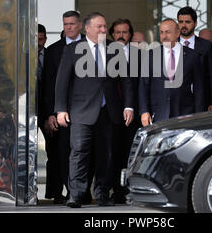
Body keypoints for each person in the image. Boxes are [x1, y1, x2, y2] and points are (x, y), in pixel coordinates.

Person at [54, 12, 134, 208]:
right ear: (87, 28)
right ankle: (76, 194)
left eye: (105, 27)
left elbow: (126, 81)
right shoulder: (73, 50)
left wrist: (129, 106)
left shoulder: (114, 49)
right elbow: (62, 81)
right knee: (79, 153)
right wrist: (61, 109)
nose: (104, 30)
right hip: (81, 111)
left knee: (106, 155)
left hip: (109, 111)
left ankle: (103, 194)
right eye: (99, 27)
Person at [41, 11, 83, 204]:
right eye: (65, 24)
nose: (68, 27)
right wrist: (51, 113)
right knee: (63, 152)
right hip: (62, 113)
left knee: (85, 151)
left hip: (86, 110)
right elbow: (49, 86)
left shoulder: (91, 47)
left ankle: (83, 191)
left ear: (80, 25)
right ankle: (70, 191)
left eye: (72, 24)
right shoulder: (53, 51)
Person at [139, 19, 205, 126]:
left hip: (184, 114)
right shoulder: (150, 56)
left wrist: (198, 115)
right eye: (161, 32)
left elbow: (199, 89)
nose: (164, 36)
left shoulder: (192, 56)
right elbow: (143, 86)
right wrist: (144, 111)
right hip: (157, 113)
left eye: (168, 32)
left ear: (177, 33)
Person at [108, 18, 142, 204]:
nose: (121, 36)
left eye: (125, 32)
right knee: (113, 154)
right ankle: (117, 192)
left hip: (134, 114)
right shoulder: (105, 54)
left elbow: (144, 86)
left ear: (131, 35)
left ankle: (131, 191)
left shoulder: (140, 56)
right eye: (118, 32)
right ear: (113, 34)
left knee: (132, 154)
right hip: (111, 114)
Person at [177, 6, 212, 111]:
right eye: (181, 22)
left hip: (201, 101)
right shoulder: (171, 45)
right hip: (176, 101)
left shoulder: (206, 46)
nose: (184, 25)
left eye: (187, 22)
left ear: (195, 23)